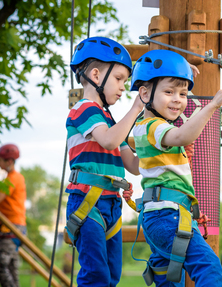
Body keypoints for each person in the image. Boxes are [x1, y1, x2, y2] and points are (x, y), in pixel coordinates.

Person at [126, 49, 222, 287]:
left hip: (162, 216)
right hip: (167, 217)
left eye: (183, 93)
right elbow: (183, 135)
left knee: (169, 281)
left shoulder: (144, 127)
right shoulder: (154, 127)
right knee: (209, 267)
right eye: (168, 92)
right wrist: (213, 105)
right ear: (144, 93)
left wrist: (181, 75)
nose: (178, 99)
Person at [65, 36, 143, 286]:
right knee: (95, 274)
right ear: (96, 76)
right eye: (119, 79)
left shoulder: (110, 121)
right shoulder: (84, 108)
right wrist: (134, 110)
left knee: (111, 275)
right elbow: (108, 141)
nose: (123, 87)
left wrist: (163, 146)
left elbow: (133, 165)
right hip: (88, 201)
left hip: (111, 203)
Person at [0, 143, 26, 287]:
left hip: (12, 227)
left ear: (9, 161)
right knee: (11, 269)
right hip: (16, 227)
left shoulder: (13, 178)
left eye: (0, 159)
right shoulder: (13, 178)